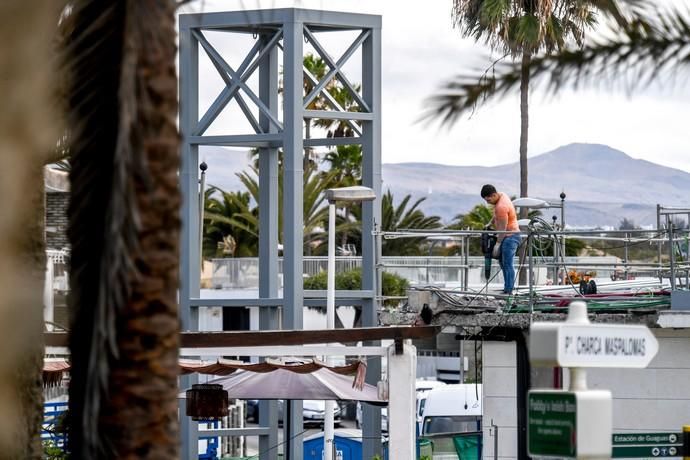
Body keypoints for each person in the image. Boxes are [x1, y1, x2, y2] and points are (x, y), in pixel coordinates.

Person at [480, 184, 521, 294]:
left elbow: (503, 229)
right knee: (503, 263)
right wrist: (490, 223)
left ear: (493, 195)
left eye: (488, 199)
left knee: (507, 264)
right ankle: (507, 287)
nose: (487, 202)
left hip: (510, 236)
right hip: (508, 236)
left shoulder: (501, 207)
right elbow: (496, 216)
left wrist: (497, 245)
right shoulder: (502, 195)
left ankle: (509, 290)